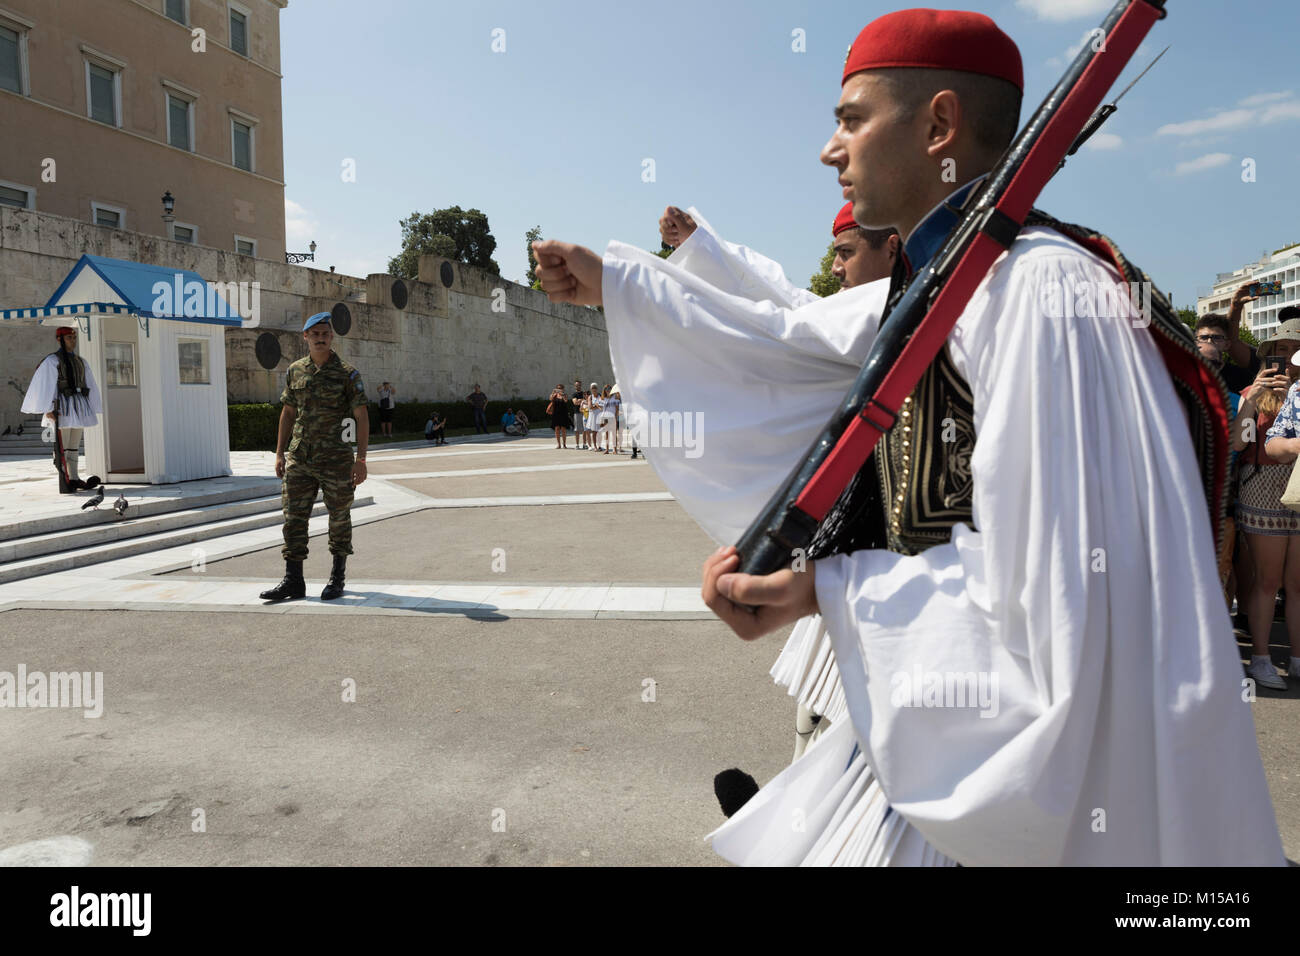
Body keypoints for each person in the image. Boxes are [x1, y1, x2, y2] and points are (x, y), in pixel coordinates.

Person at [533, 9, 1283, 865]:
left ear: (938, 126)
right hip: (925, 751)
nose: (830, 149)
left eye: (851, 118)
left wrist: (834, 592)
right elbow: (791, 336)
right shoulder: (949, 285)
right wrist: (622, 287)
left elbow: (1058, 616)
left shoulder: (1041, 294)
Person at [260, 311, 368, 603]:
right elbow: (288, 412)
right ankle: (293, 580)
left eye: (325, 334)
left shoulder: (348, 373)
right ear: (305, 337)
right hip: (300, 458)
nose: (320, 338)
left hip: (337, 460)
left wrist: (361, 459)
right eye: (315, 334)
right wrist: (280, 453)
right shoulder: (295, 370)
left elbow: (361, 415)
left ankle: (337, 577)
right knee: (293, 518)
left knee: (339, 517)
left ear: (331, 337)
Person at [1233, 319, 1300, 689]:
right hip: (1263, 487)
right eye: (1281, 350)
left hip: (1298, 487)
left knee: (1297, 583)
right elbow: (1238, 444)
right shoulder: (1253, 393)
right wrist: (1255, 398)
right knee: (1267, 581)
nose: (1287, 358)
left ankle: (1296, 658)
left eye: (1294, 350)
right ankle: (1260, 659)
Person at [20, 326, 103, 494]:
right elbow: (46, 385)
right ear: (59, 339)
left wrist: (93, 405)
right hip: (62, 407)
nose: (73, 341)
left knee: (73, 445)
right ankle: (64, 478)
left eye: (74, 338)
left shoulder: (81, 361)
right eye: (69, 338)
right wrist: (48, 408)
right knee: (62, 445)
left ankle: (73, 477)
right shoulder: (52, 360)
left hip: (78, 407)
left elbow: (90, 384)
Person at [549, 383, 572, 448]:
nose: (559, 389)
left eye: (561, 388)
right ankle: (558, 444)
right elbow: (550, 399)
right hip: (556, 413)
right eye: (558, 388)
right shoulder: (554, 395)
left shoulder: (564, 395)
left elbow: (566, 400)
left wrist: (562, 394)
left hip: (563, 413)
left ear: (563, 389)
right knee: (557, 429)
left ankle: (564, 444)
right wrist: (553, 393)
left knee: (563, 429)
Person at [570, 379, 588, 449]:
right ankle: (577, 444)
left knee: (584, 429)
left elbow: (587, 401)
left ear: (581, 385)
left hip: (584, 412)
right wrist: (581, 400)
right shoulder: (574, 394)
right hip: (577, 413)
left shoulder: (584, 393)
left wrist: (580, 400)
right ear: (575, 386)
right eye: (576, 385)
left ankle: (584, 444)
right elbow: (575, 403)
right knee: (577, 429)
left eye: (579, 385)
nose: (578, 386)